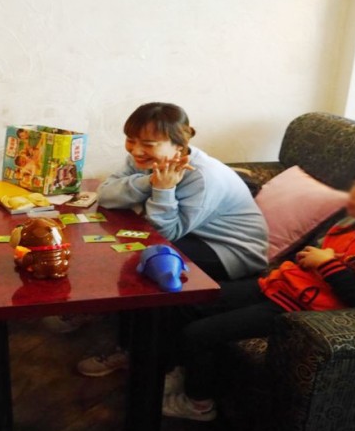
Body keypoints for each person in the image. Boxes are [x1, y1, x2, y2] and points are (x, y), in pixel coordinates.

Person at [162, 159, 355, 421]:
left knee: (199, 333)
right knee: (190, 300)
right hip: (281, 286)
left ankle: (198, 403)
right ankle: (179, 367)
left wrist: (328, 265)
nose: (354, 192)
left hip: (301, 311)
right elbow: (328, 255)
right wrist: (315, 259)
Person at [68, 102, 270, 377]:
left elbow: (166, 235)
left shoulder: (202, 177)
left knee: (140, 263)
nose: (136, 150)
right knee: (123, 250)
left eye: (148, 144)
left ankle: (132, 352)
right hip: (191, 236)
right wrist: (150, 181)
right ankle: (107, 315)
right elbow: (106, 195)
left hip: (231, 251)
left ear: (179, 145)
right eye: (131, 140)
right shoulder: (144, 160)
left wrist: (164, 191)